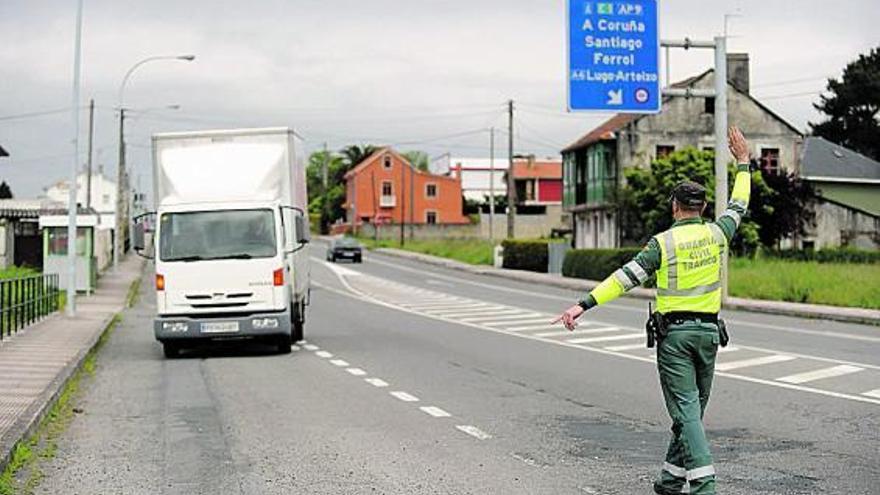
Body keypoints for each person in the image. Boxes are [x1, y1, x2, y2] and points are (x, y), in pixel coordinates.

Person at [553, 126, 753, 495]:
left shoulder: (662, 243)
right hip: (709, 336)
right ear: (704, 208)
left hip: (675, 338)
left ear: (675, 207)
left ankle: (704, 485)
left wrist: (583, 304)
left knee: (686, 412)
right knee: (690, 411)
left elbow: (624, 278)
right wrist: (743, 163)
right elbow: (739, 204)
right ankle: (671, 480)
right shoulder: (718, 233)